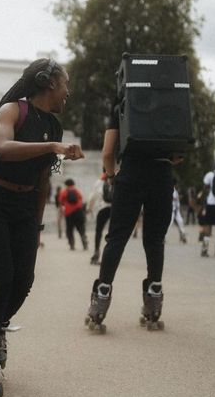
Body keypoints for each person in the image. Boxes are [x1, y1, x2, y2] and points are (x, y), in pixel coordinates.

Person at [0, 58, 83, 396]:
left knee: (25, 280)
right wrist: (52, 147)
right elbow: (1, 149)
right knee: (1, 277)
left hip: (23, 205)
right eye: (65, 85)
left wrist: (37, 225)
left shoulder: (55, 128)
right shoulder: (10, 111)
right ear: (48, 82)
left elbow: (45, 177)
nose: (68, 92)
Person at [85, 101, 183, 333]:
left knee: (116, 238)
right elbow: (179, 154)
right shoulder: (171, 104)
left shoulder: (124, 104)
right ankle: (154, 302)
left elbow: (108, 152)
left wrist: (111, 176)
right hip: (162, 176)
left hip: (131, 174)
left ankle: (101, 299)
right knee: (155, 240)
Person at [86, 172, 112, 264]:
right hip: (114, 209)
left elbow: (92, 197)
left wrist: (89, 209)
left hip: (102, 209)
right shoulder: (117, 179)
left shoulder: (99, 182)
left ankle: (96, 252)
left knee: (98, 232)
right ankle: (111, 255)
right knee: (113, 233)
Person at [58, 178, 88, 251]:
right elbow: (81, 199)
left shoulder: (64, 192)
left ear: (66, 184)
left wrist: (62, 211)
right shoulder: (77, 191)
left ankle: (72, 245)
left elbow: (60, 201)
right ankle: (84, 239)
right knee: (81, 228)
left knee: (69, 229)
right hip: (79, 212)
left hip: (69, 213)